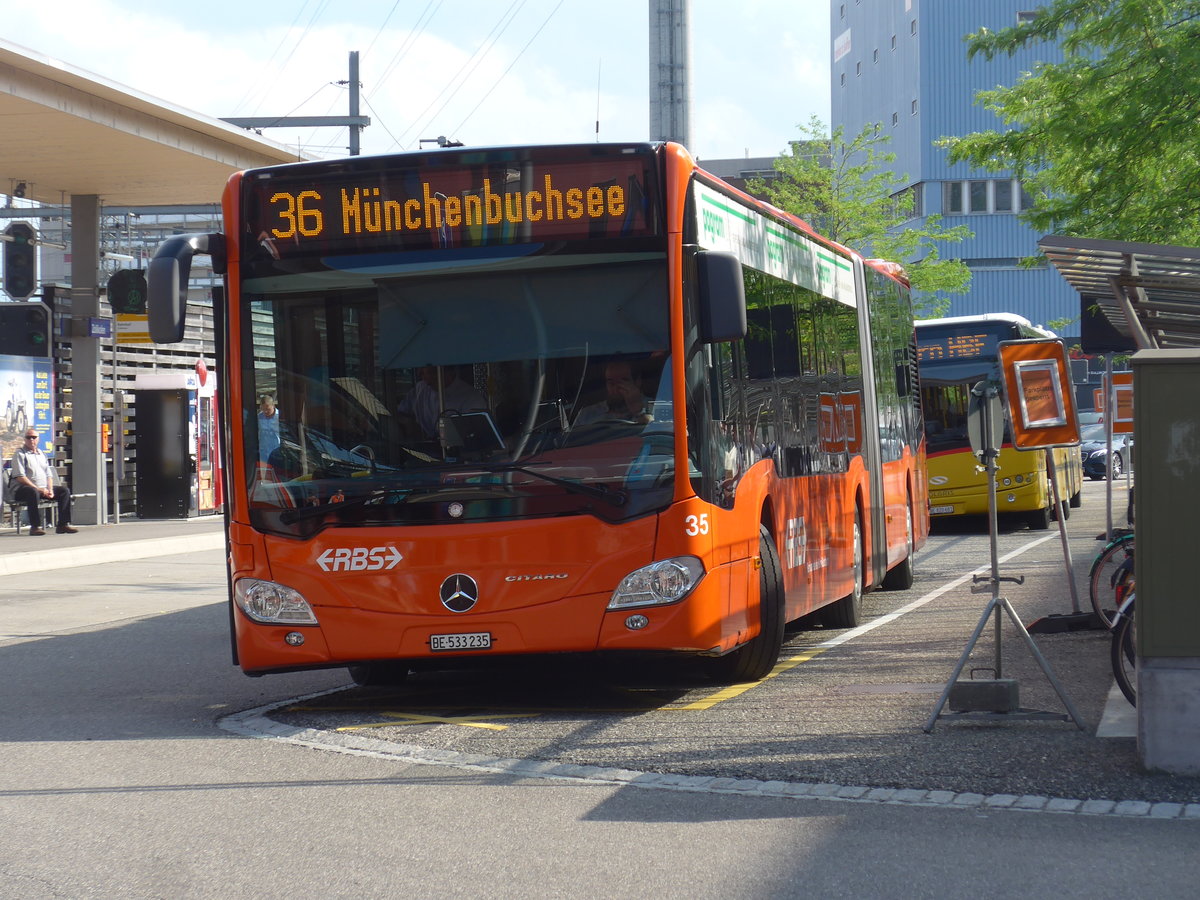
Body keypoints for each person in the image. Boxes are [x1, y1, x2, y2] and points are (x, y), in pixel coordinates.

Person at [9, 430, 75, 536]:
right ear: (24, 439)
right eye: (28, 437)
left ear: (38, 439)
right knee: (32, 492)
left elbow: (49, 475)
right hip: (22, 490)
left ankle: (63, 524)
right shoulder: (20, 454)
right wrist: (38, 489)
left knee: (64, 491)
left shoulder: (42, 454)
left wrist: (50, 490)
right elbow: (20, 477)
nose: (31, 440)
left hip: (42, 488)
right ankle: (35, 527)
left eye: (34, 437)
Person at [398, 365, 487, 439]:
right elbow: (402, 413)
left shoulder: (471, 398)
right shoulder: (420, 389)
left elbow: (476, 434)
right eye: (421, 371)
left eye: (429, 371)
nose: (421, 374)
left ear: (447, 371)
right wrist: (409, 425)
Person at [574, 360, 654, 426]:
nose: (616, 387)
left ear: (637, 381)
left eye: (623, 381)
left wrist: (639, 411)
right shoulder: (587, 415)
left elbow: (658, 438)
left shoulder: (657, 408)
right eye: (611, 382)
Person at [257, 394, 281, 463]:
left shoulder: (280, 417)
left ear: (273, 405)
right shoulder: (259, 417)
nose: (265, 412)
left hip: (277, 451)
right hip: (263, 452)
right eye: (263, 409)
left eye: (268, 409)